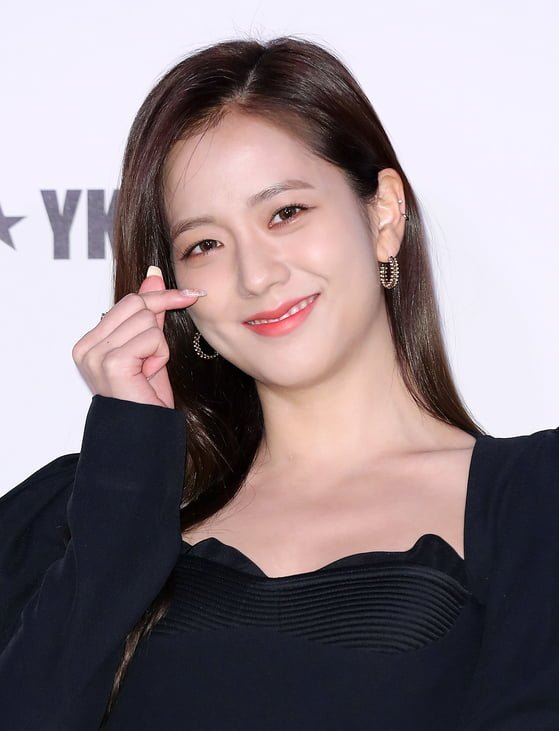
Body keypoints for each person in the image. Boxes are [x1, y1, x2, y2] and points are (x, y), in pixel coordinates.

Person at [1, 35, 558, 731]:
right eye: (204, 244)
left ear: (383, 215)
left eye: (285, 213)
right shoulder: (79, 509)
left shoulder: (536, 499)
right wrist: (128, 466)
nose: (256, 274)